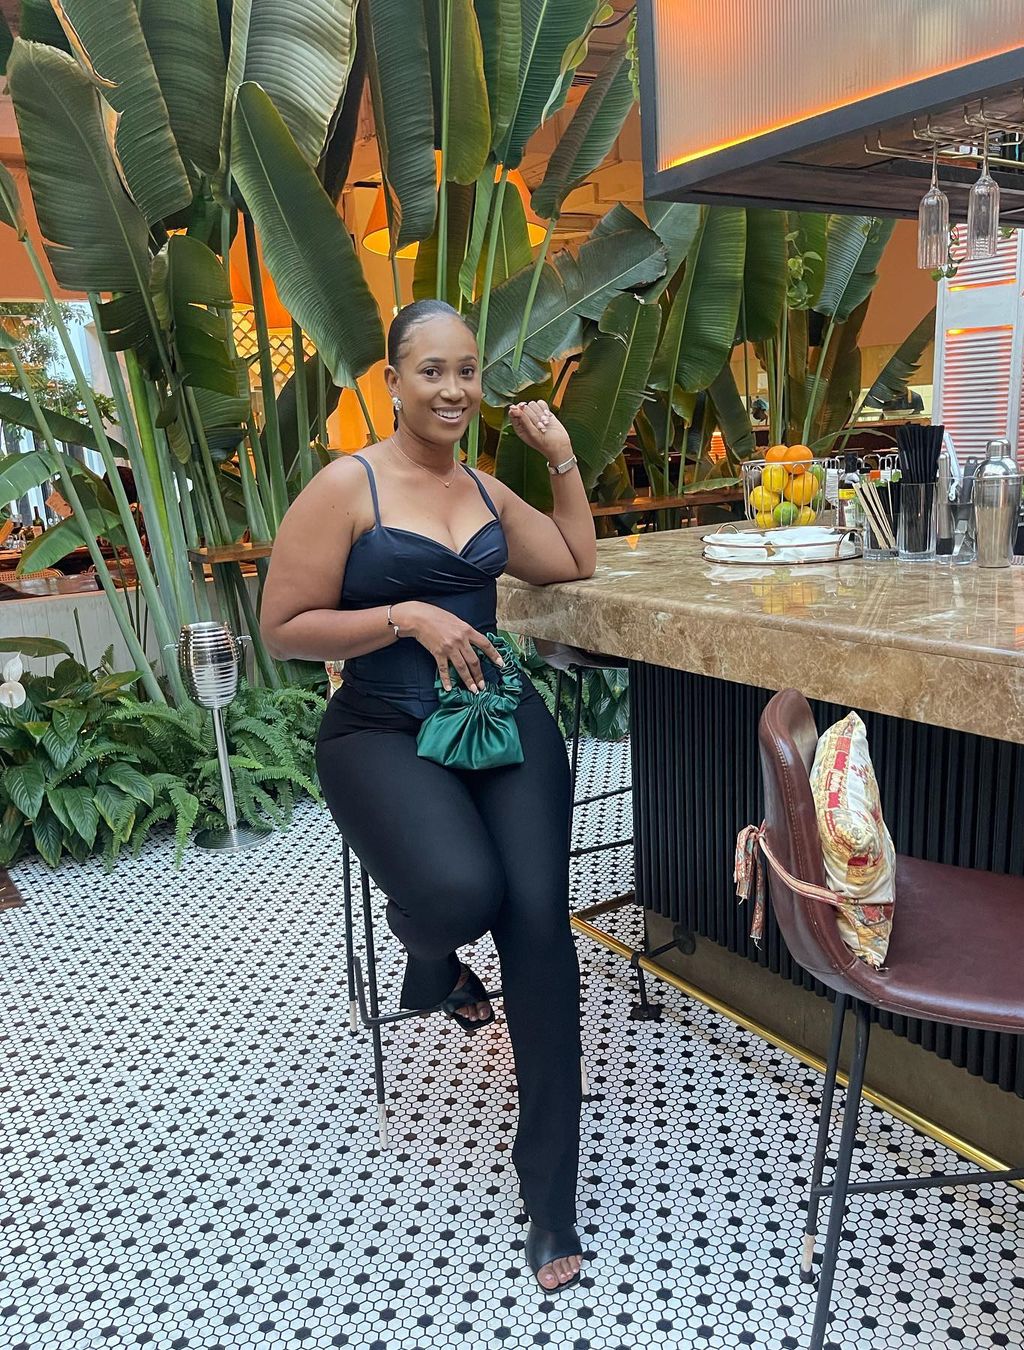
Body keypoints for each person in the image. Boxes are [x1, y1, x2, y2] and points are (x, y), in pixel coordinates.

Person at [260, 298, 597, 1293]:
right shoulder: (347, 485)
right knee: (458, 893)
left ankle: (551, 1188)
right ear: (393, 381)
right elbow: (283, 627)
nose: (454, 390)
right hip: (382, 726)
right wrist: (404, 615)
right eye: (432, 371)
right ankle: (431, 956)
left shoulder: (485, 487)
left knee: (539, 927)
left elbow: (573, 560)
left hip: (497, 717)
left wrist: (561, 457)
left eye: (467, 371)